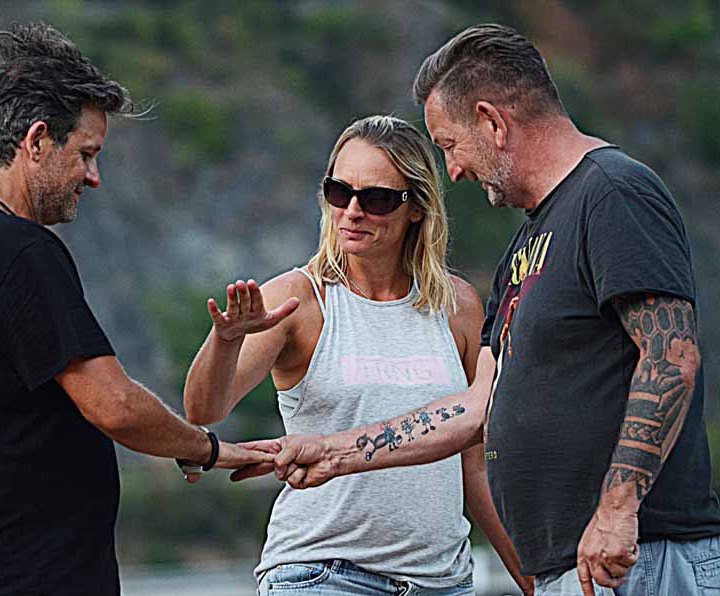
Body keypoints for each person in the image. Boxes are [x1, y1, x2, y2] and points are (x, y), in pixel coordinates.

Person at [257, 24, 720, 596]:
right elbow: (478, 406)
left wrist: (619, 507)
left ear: (492, 123)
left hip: (637, 554)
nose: (452, 170)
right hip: (575, 564)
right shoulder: (524, 250)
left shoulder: (614, 193)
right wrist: (337, 452)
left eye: (450, 145)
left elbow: (671, 358)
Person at [0, 23, 270, 596]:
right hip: (26, 577)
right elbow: (114, 405)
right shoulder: (21, 250)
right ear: (37, 140)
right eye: (86, 155)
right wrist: (207, 447)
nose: (93, 178)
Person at [185, 115, 529, 595]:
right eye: (338, 192)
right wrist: (225, 340)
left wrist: (534, 582)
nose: (352, 212)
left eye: (376, 199)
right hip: (323, 573)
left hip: (443, 581)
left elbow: (476, 464)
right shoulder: (298, 299)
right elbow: (204, 410)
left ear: (416, 207)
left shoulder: (458, 306)